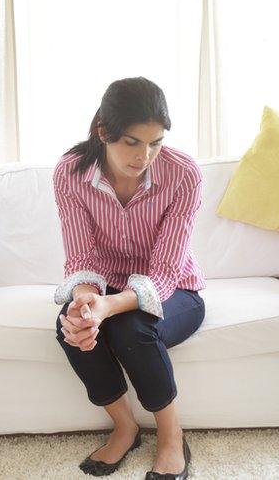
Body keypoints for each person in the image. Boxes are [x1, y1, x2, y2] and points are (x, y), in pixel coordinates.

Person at [53, 77, 206, 479]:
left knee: (130, 329)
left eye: (155, 142)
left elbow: (167, 272)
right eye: (133, 143)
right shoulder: (70, 173)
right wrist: (87, 302)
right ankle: (125, 427)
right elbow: (82, 256)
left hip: (177, 291)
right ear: (104, 132)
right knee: (69, 325)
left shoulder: (183, 174)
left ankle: (172, 436)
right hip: (107, 284)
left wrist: (109, 307)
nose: (146, 156)